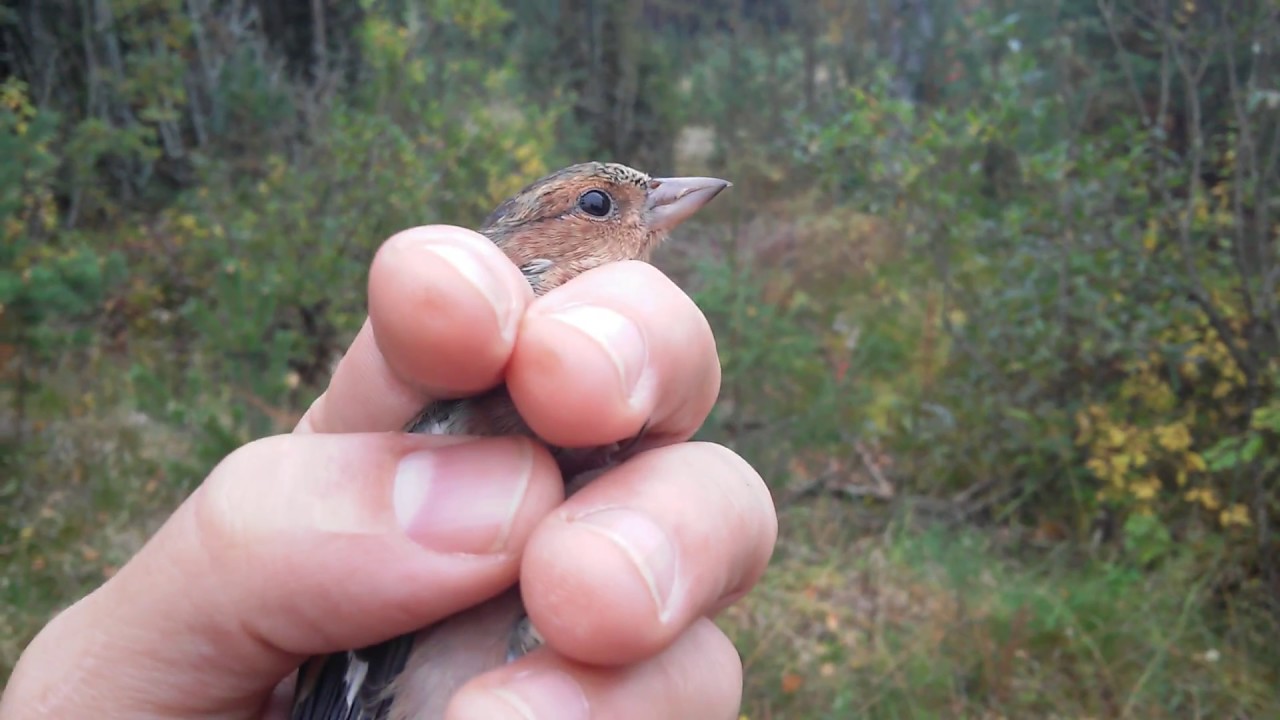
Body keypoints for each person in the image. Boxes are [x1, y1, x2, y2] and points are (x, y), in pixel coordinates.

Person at [0, 225, 778, 719]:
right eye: (601, 205)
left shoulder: (599, 404)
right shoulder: (448, 416)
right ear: (533, 242)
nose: (663, 205)